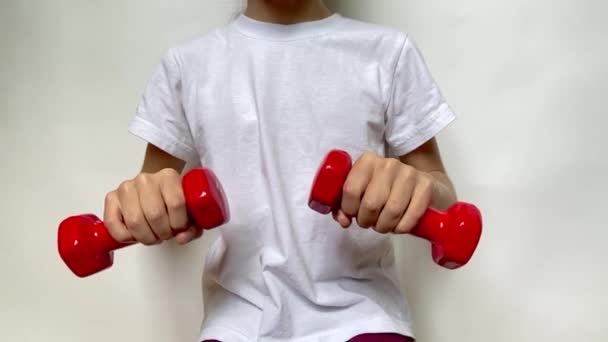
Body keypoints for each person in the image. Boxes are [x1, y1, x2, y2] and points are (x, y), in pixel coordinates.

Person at [103, 0, 458, 341]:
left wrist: (414, 187)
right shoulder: (186, 66)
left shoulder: (388, 52)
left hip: (362, 315)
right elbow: (150, 189)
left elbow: (444, 197)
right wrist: (142, 202)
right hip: (237, 321)